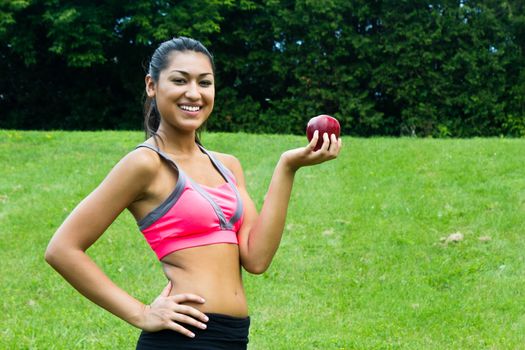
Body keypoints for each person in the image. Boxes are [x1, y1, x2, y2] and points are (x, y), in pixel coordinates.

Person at [45, 36, 342, 349]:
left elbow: (256, 259)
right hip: (184, 339)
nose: (194, 93)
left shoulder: (227, 166)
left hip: (233, 337)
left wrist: (287, 167)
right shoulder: (145, 164)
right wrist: (141, 313)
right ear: (152, 85)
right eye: (179, 80)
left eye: (205, 82)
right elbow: (62, 249)